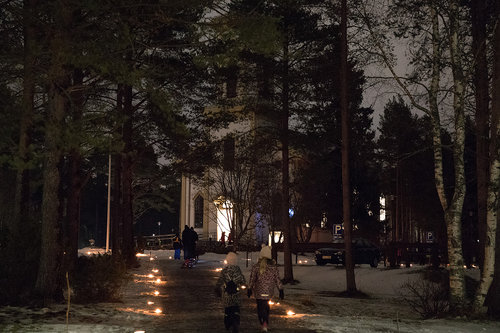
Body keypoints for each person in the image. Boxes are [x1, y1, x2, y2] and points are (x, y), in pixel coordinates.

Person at [247, 245, 284, 332]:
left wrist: (249, 288)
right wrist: (281, 290)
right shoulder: (274, 268)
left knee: (260, 307)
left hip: (259, 292)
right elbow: (277, 280)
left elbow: (252, 279)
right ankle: (265, 322)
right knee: (266, 306)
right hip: (269, 291)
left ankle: (262, 321)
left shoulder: (256, 267)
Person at [215, 252, 246, 333]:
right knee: (236, 309)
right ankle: (236, 321)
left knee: (228, 309)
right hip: (236, 294)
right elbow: (242, 280)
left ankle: (228, 321)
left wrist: (217, 289)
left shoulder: (225, 271)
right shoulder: (237, 270)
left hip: (227, 294)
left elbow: (220, 281)